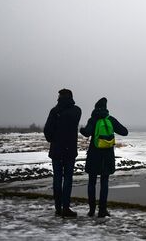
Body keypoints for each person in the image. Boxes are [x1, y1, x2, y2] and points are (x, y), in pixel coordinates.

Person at [80, 97, 128, 217]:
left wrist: (81, 129)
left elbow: (86, 132)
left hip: (94, 154)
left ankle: (91, 210)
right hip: (107, 155)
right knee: (104, 182)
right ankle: (102, 210)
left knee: (92, 182)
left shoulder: (93, 119)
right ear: (106, 108)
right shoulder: (110, 119)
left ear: (95, 108)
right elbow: (124, 132)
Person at [44, 88, 82, 217]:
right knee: (68, 180)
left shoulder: (55, 111)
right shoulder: (76, 111)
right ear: (71, 97)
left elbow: (47, 131)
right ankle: (65, 208)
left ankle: (58, 208)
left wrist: (53, 139)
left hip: (56, 150)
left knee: (57, 179)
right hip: (70, 151)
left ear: (60, 97)